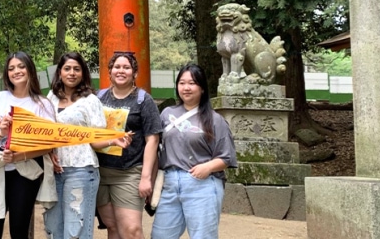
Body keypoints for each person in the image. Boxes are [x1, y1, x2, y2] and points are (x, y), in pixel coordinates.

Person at [44, 52, 131, 239]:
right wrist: (49, 153)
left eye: (77, 69)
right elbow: (45, 133)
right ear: (59, 72)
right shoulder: (50, 97)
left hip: (81, 170)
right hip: (53, 170)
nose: (72, 73)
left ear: (83, 73)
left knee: (76, 230)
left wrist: (113, 140)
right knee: (53, 229)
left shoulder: (90, 100)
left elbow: (95, 139)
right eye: (67, 69)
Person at [150, 64, 237, 239]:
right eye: (182, 83)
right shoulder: (167, 114)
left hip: (201, 185)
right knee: (160, 235)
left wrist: (208, 167)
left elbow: (226, 156)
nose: (186, 88)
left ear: (202, 88)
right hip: (169, 183)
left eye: (192, 83)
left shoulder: (215, 119)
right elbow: (153, 144)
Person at [0, 51, 55, 239]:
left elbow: (49, 145)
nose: (16, 71)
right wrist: (1, 133)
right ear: (7, 73)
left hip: (25, 170)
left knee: (19, 229)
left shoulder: (43, 104)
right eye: (11, 68)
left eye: (21, 66)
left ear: (30, 69)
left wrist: (18, 156)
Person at [96, 52, 163, 239]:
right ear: (109, 71)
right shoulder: (99, 98)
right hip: (101, 171)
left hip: (129, 172)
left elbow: (153, 140)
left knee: (131, 231)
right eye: (117, 67)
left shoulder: (143, 100)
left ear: (134, 73)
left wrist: (146, 178)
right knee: (112, 227)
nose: (121, 71)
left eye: (126, 67)